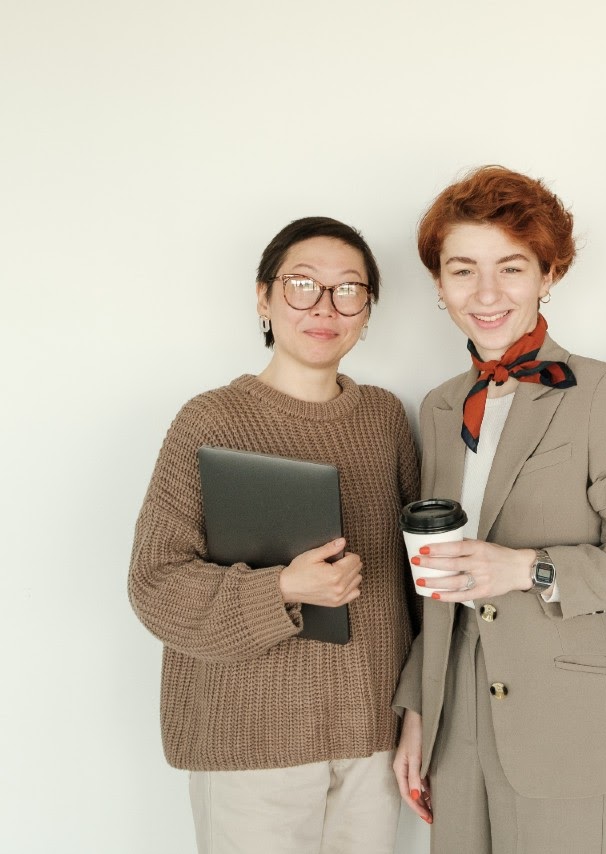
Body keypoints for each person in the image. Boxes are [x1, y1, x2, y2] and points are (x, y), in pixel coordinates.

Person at [391, 166, 606, 854]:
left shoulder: (601, 392)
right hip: (456, 723)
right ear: (438, 284)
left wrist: (525, 569)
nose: (486, 294)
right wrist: (418, 711)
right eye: (463, 270)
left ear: (549, 274)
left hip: (566, 722)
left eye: (511, 268)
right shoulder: (438, 407)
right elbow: (433, 584)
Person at [128, 217, 420, 854]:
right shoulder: (210, 419)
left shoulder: (384, 419)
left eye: (349, 290)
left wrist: (419, 710)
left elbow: (418, 586)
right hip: (250, 739)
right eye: (301, 285)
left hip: (371, 736)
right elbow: (155, 584)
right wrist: (284, 588)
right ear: (264, 298)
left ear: (367, 310)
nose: (324, 306)